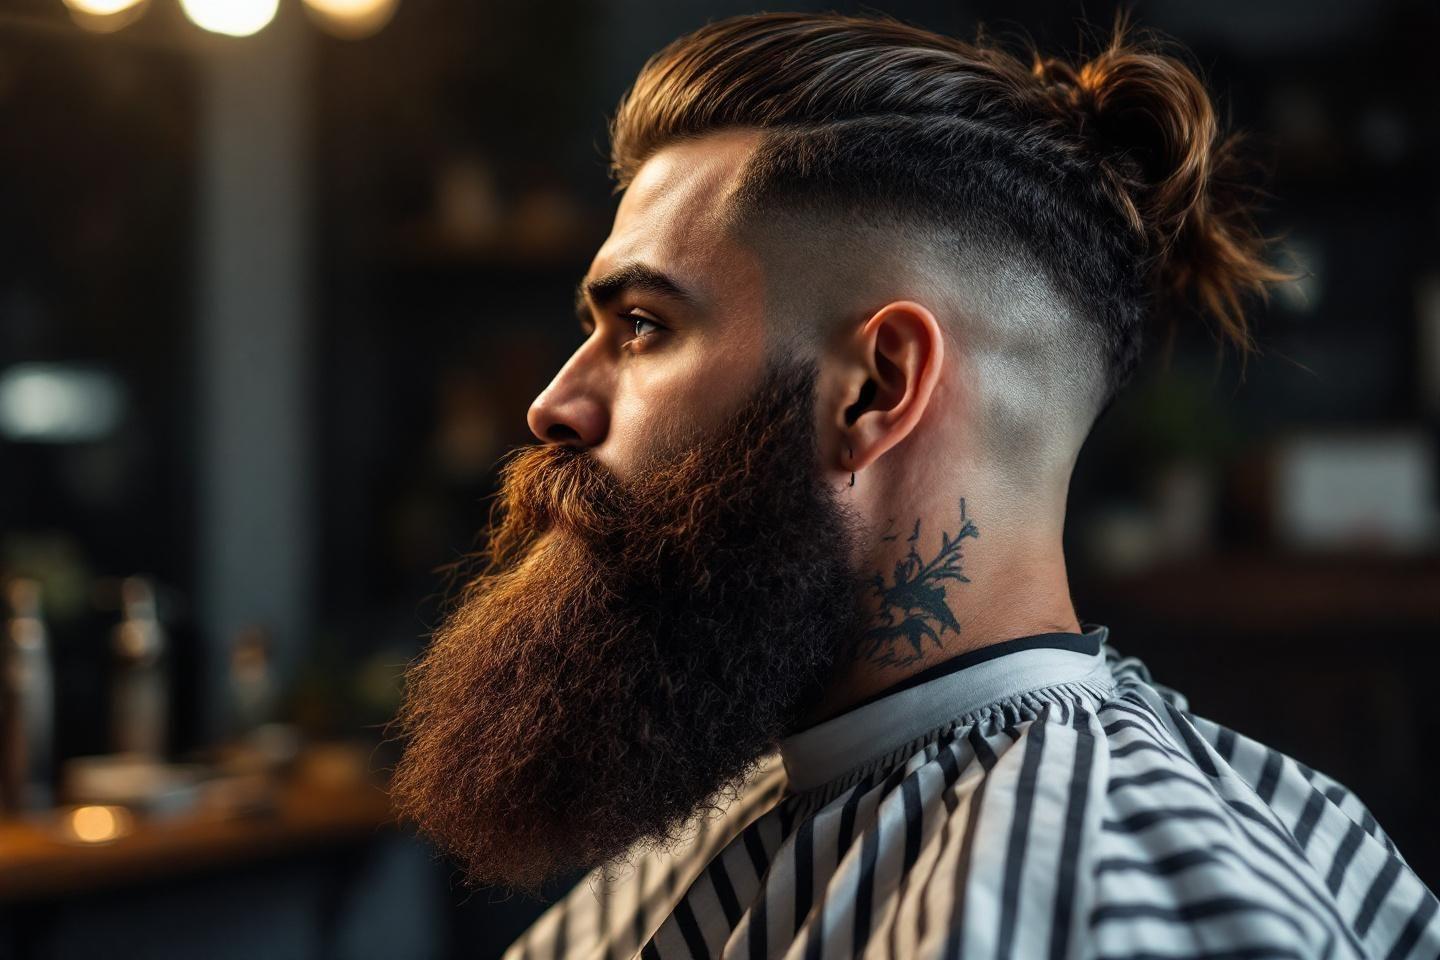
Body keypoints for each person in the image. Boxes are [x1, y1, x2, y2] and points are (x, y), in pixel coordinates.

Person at [390, 11, 1440, 959]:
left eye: (642, 326)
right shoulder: (764, 805)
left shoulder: (1102, 910)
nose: (553, 403)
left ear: (875, 389)